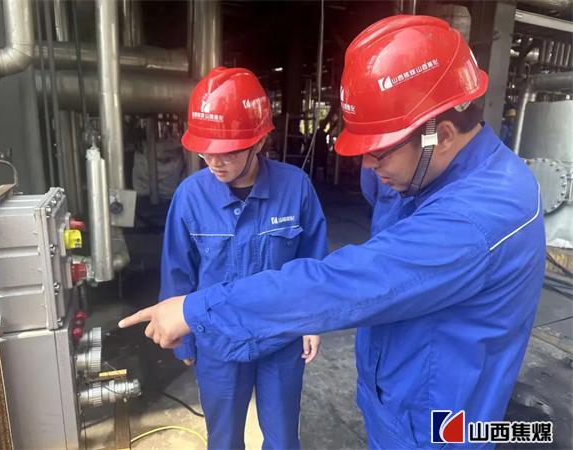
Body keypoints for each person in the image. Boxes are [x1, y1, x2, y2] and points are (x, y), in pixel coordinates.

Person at [121, 16, 545, 449]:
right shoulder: (422, 171)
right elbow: (180, 264)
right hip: (392, 399)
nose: (367, 169)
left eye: (378, 153)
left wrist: (197, 310)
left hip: (435, 426)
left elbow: (340, 283)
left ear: (443, 136)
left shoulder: (476, 219)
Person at [157, 66, 328, 450]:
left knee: (283, 439)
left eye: (229, 152)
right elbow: (177, 270)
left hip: (280, 336)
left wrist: (314, 321)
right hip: (218, 341)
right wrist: (183, 340)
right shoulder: (190, 197)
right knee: (223, 440)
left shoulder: (295, 187)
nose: (215, 162)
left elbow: (314, 263)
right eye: (206, 151)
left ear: (259, 141)